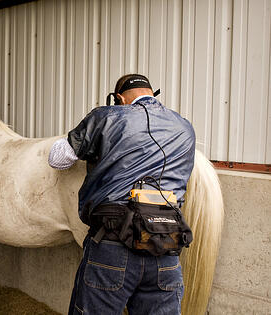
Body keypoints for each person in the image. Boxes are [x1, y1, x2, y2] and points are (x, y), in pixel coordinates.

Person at [49, 74, 195, 315]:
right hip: (165, 246)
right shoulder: (184, 127)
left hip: (113, 244)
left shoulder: (106, 117)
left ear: (120, 99)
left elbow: (58, 159)